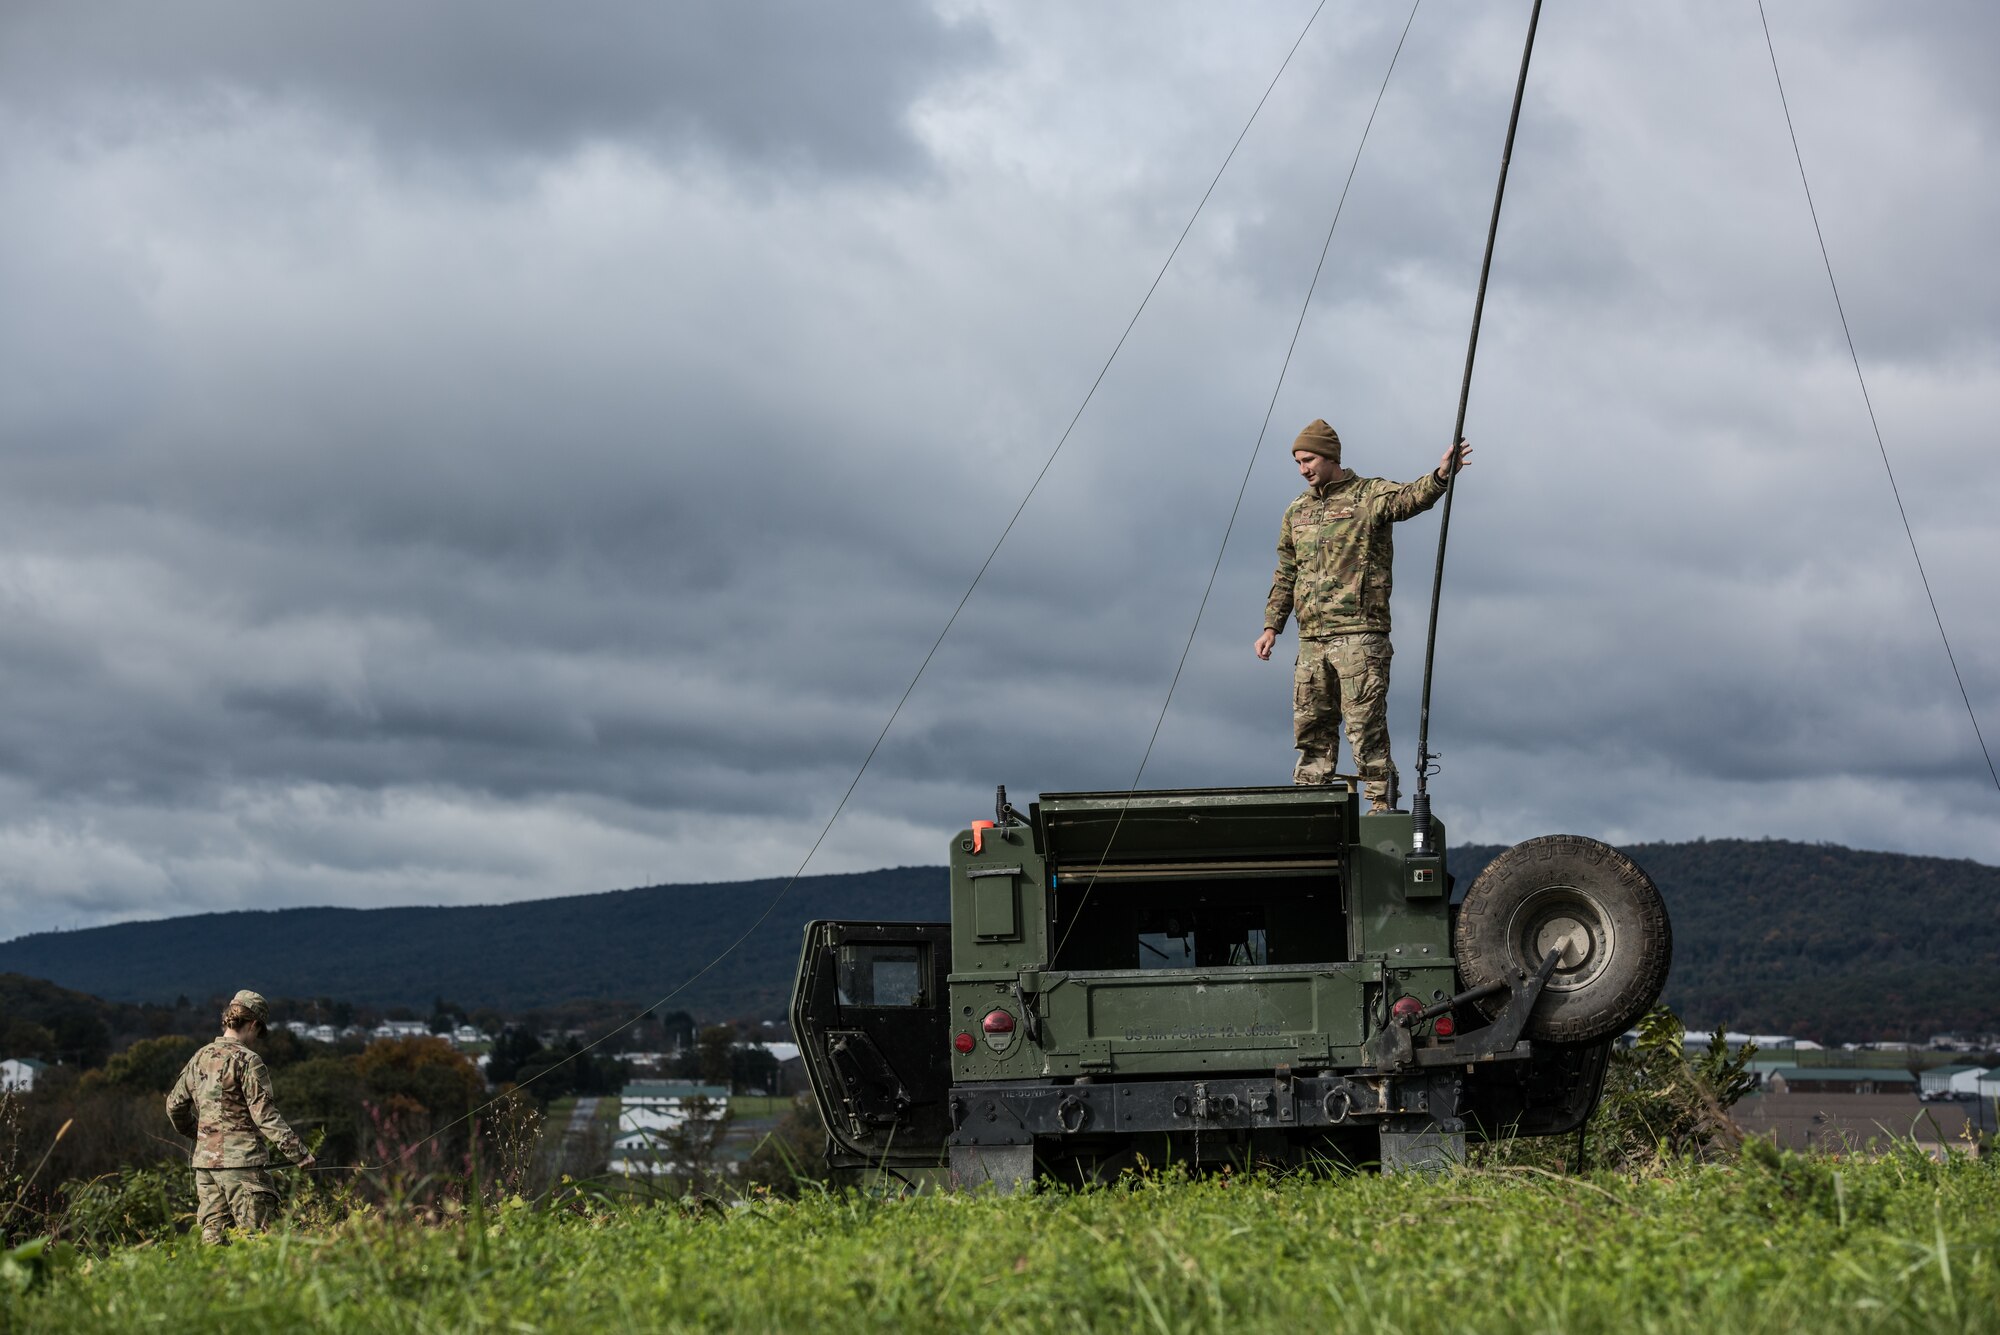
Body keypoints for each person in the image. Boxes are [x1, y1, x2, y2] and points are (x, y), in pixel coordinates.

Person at [1254, 419, 1472, 811]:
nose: (1303, 468)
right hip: (1311, 641)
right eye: (1298, 462)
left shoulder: (1368, 495)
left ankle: (1380, 807)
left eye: (1310, 459)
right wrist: (1272, 626)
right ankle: (1311, 806)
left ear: (1331, 457)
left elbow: (1410, 498)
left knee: (1365, 729)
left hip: (1360, 636)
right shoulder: (1297, 511)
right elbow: (1286, 571)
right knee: (1311, 730)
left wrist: (1441, 475)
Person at [166, 989, 314, 1243]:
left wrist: (201, 1135)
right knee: (260, 1242)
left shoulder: (199, 1058)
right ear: (254, 1024)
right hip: (244, 1167)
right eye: (259, 1032)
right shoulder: (248, 1061)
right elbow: (265, 1115)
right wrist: (298, 1152)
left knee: (214, 1244)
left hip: (206, 1168)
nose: (257, 1038)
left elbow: (174, 1107)